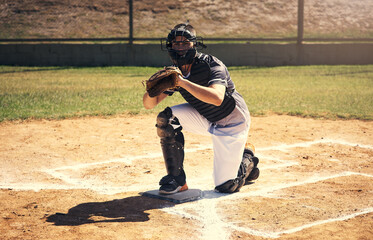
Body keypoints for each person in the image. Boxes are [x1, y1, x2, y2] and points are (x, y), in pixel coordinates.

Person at [142, 22, 259, 194]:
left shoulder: (211, 65)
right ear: (170, 46)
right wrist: (153, 89)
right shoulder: (175, 73)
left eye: (185, 43)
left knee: (227, 185)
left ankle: (247, 157)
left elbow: (217, 98)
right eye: (176, 43)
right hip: (205, 116)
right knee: (166, 119)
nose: (180, 47)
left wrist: (182, 82)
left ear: (194, 44)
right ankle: (177, 180)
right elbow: (148, 105)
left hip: (231, 120)